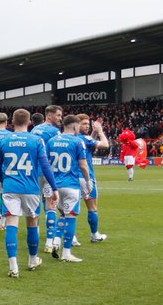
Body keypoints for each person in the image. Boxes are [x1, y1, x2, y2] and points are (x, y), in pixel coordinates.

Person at [0, 109, 57, 278]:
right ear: (29, 122)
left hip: (10, 188)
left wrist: (3, 180)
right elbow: (45, 166)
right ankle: (32, 260)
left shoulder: (4, 140)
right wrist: (54, 188)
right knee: (32, 225)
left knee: (11, 225)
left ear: (12, 121)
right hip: (31, 189)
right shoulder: (36, 140)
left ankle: (13, 267)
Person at [47, 115, 90, 263]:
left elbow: (46, 163)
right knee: (70, 217)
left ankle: (56, 240)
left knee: (63, 215)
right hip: (71, 185)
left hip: (55, 186)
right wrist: (88, 181)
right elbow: (83, 165)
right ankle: (66, 253)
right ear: (75, 126)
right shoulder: (77, 141)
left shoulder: (51, 141)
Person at [31, 105, 63, 250]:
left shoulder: (34, 130)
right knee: (51, 205)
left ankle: (36, 236)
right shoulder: (54, 132)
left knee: (36, 205)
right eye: (58, 115)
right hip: (48, 172)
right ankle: (49, 242)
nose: (60, 118)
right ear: (49, 115)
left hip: (34, 172)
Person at [76, 118, 109, 244]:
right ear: (76, 124)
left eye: (88, 124)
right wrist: (100, 131)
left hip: (71, 177)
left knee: (69, 210)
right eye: (84, 124)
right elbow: (105, 145)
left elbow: (89, 142)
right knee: (92, 208)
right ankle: (94, 234)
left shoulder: (72, 138)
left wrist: (94, 132)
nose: (87, 126)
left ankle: (72, 238)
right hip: (86, 177)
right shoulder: (85, 139)